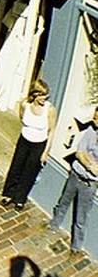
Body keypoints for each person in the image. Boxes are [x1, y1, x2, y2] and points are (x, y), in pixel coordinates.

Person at [1, 79, 57, 211]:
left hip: (39, 144)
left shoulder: (50, 110)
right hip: (24, 140)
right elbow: (22, 118)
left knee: (29, 172)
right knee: (16, 167)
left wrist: (46, 152)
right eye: (42, 95)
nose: (45, 98)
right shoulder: (25, 104)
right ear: (35, 94)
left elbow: (52, 131)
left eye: (46, 95)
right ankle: (9, 194)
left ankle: (20, 198)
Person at [49, 105, 98, 253]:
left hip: (89, 184)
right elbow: (79, 152)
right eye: (95, 117)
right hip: (76, 175)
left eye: (97, 119)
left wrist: (86, 158)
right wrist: (90, 164)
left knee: (81, 217)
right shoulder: (91, 131)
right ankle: (53, 225)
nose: (94, 121)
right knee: (63, 201)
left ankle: (76, 246)